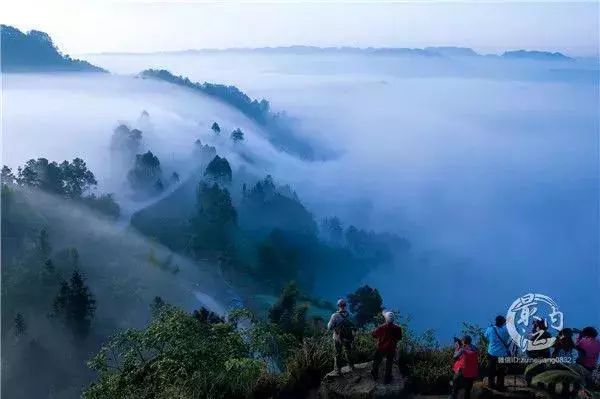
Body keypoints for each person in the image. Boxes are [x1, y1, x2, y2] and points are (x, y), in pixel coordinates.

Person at [371, 311, 403, 383]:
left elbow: (373, 334)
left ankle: (375, 374)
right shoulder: (398, 328)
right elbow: (399, 337)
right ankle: (387, 378)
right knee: (389, 363)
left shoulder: (381, 327)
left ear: (386, 319)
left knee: (377, 361)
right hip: (391, 348)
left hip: (381, 348)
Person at [327, 298, 355, 375]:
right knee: (348, 352)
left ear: (338, 306)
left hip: (337, 338)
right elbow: (353, 325)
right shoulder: (350, 315)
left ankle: (338, 370)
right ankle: (351, 366)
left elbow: (329, 327)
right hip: (348, 337)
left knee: (337, 353)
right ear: (345, 305)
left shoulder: (334, 316)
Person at [484, 315, 510, 390]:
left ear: (496, 321)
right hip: (502, 354)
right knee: (501, 371)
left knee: (491, 370)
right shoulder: (506, 330)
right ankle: (500, 386)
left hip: (492, 353)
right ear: (503, 322)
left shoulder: (490, 329)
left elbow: (486, 336)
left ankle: (491, 385)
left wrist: (491, 328)